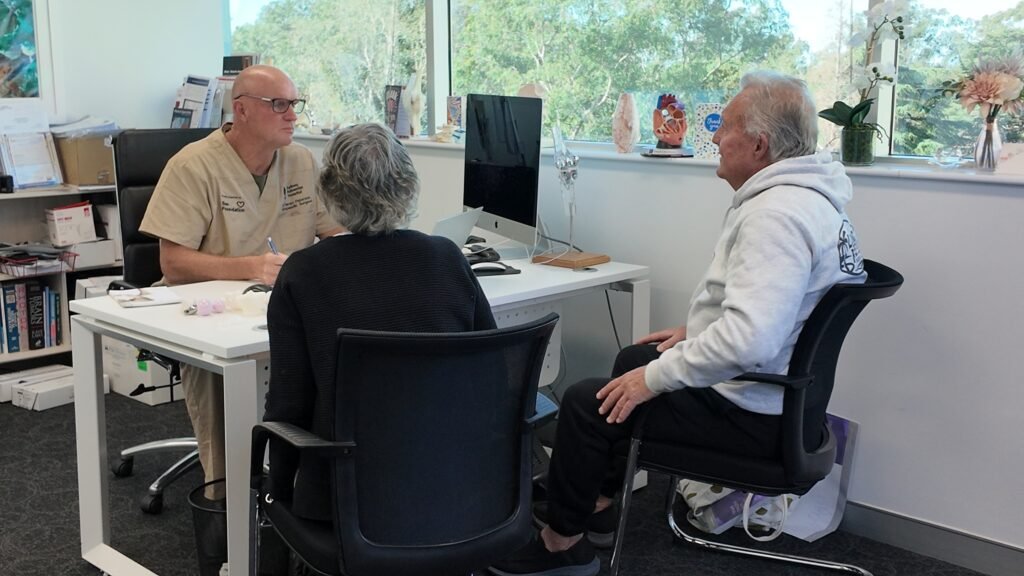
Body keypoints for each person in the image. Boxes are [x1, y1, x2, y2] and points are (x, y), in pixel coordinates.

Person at [489, 70, 866, 576]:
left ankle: (562, 545)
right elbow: (787, 312)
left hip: (753, 417)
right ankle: (597, 509)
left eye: (725, 125)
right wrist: (691, 337)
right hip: (782, 402)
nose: (713, 135)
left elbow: (752, 338)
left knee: (585, 402)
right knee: (634, 358)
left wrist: (654, 381)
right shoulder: (813, 201)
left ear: (758, 145)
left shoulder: (775, 217)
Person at [263, 122, 497, 522]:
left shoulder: (303, 273)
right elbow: (490, 374)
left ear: (330, 191)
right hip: (457, 490)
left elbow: (289, 405)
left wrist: (277, 495)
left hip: (345, 500)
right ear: (408, 185)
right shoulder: (447, 258)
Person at [139, 64, 344, 499]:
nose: (293, 115)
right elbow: (173, 263)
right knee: (223, 377)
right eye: (280, 104)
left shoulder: (301, 161)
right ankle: (227, 504)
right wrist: (251, 266)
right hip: (208, 313)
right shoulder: (193, 166)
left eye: (295, 104)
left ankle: (313, 493)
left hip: (284, 305)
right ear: (242, 110)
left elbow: (335, 233)